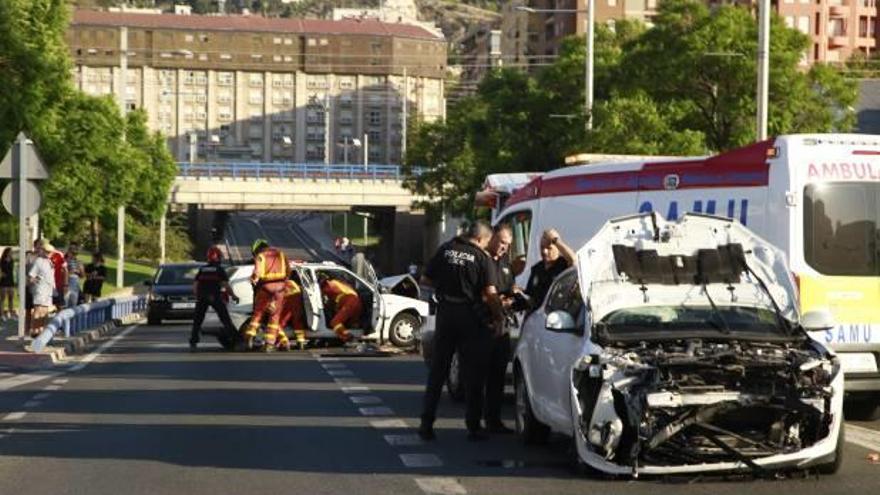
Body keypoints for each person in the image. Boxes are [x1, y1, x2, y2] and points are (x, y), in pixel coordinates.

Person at [418, 221, 502, 442]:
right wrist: (498, 316)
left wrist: (443, 289)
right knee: (472, 373)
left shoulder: (446, 250)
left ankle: (426, 424)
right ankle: (473, 427)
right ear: (481, 239)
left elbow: (425, 278)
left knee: (438, 371)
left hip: (446, 314)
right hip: (470, 317)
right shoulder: (482, 258)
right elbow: (491, 293)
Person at [483, 223, 516, 434]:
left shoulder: (504, 262)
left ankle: (494, 420)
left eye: (507, 244)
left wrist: (512, 294)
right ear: (493, 237)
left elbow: (507, 287)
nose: (504, 247)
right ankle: (476, 422)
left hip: (502, 324)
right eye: (502, 242)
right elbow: (482, 293)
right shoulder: (481, 259)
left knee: (498, 376)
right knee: (479, 377)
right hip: (483, 324)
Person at [190, 246, 239, 351]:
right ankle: (237, 340)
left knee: (197, 321)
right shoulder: (219, 270)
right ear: (218, 257)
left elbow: (195, 285)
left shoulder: (202, 269)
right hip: (214, 297)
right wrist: (233, 296)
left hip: (202, 297)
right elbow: (226, 285)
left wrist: (198, 296)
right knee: (225, 319)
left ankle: (193, 341)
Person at [244, 239, 289, 352]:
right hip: (280, 288)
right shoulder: (281, 254)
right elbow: (289, 270)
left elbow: (257, 272)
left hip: (266, 288)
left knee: (258, 313)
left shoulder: (261, 256)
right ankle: (269, 344)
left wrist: (253, 279)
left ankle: (249, 337)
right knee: (274, 316)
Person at [524, 229, 576, 308]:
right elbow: (529, 295)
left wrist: (556, 240)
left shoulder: (563, 264)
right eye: (542, 247)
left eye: (549, 248)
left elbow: (573, 259)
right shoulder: (537, 269)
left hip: (556, 314)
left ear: (557, 248)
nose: (544, 251)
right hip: (538, 315)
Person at [318, 273, 361, 343]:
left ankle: (348, 337)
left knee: (335, 322)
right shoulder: (335, 282)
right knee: (348, 323)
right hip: (353, 301)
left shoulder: (329, 286)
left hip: (350, 302)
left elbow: (322, 295)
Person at [27, 242, 56, 338]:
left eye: (50, 252)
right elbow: (31, 276)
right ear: (42, 251)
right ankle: (34, 331)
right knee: (38, 310)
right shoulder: (39, 261)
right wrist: (37, 281)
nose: (49, 254)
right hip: (40, 290)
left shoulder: (50, 262)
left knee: (45, 311)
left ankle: (41, 330)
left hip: (48, 291)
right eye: (47, 252)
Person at [278, 274, 307, 350]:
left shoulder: (281, 285)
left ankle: (284, 341)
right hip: (296, 307)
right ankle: (301, 342)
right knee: (298, 322)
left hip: (286, 307)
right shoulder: (294, 284)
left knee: (277, 324)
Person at [46, 242, 67, 309]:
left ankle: (60, 318)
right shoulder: (42, 255)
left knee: (59, 305)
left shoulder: (58, 254)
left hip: (57, 283)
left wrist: (65, 284)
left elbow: (65, 270)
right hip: (46, 285)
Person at [65, 242, 85, 308]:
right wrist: (70, 272)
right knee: (65, 304)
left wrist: (79, 270)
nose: (74, 255)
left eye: (75, 254)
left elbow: (82, 276)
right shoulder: (64, 261)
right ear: (68, 252)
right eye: (72, 253)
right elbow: (62, 273)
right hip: (66, 285)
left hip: (75, 286)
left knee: (73, 306)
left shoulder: (79, 262)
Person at [0, 248, 16, 320]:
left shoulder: (12, 260)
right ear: (6, 252)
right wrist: (1, 274)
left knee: (11, 298)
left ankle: (11, 313)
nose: (11, 253)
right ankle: (2, 314)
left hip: (11, 280)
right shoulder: (2, 260)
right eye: (10, 252)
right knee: (3, 298)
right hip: (4, 281)